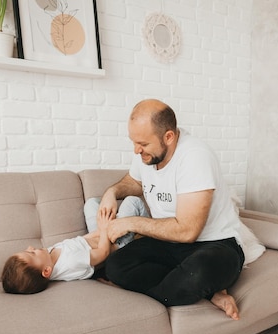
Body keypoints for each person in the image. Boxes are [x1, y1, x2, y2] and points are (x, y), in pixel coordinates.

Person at [98, 99, 245, 320]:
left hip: (215, 244)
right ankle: (205, 292)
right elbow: (134, 181)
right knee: (115, 266)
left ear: (169, 137)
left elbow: (187, 232)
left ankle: (197, 288)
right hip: (167, 242)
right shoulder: (146, 153)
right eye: (134, 142)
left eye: (143, 144)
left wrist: (132, 222)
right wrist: (112, 192)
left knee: (195, 275)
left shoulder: (195, 157)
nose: (136, 150)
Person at [2, 196, 149, 294]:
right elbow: (103, 253)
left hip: (100, 235)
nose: (30, 248)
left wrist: (101, 228)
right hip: (116, 244)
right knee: (133, 201)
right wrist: (105, 229)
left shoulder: (48, 255)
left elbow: (80, 240)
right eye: (32, 254)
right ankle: (152, 239)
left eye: (27, 250)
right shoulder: (71, 262)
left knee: (91, 203)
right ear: (46, 271)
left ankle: (119, 220)